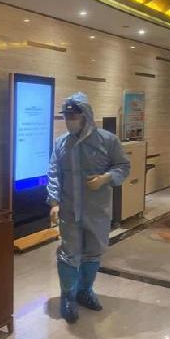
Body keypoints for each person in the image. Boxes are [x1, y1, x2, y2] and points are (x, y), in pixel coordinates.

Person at [47, 92, 131, 324]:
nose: (69, 121)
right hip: (69, 210)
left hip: (97, 211)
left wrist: (105, 178)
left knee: (93, 252)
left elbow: (123, 166)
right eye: (66, 117)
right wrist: (54, 203)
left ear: (85, 116)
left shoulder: (107, 141)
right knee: (69, 253)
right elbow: (54, 173)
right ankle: (68, 296)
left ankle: (85, 291)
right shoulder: (61, 143)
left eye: (73, 117)